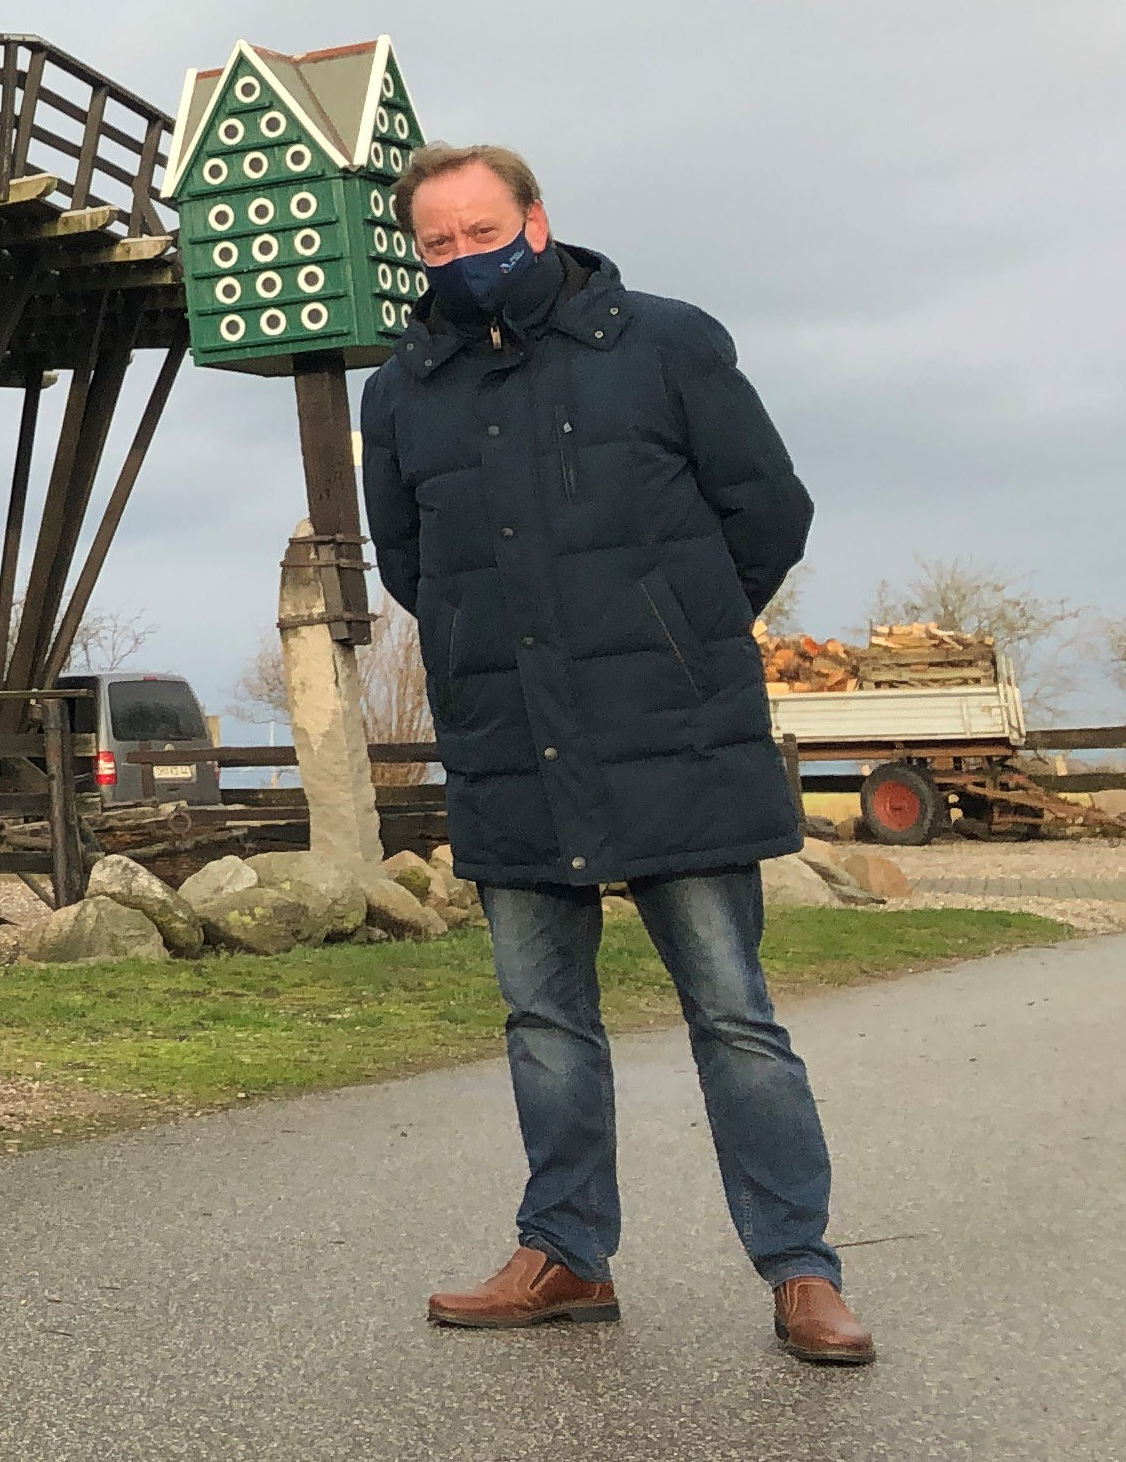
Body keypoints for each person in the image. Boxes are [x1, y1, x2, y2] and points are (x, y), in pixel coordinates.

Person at [359, 143, 869, 1367]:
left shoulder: (667, 342)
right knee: (543, 1020)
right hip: (509, 743)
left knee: (733, 1016)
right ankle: (566, 1253)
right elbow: (410, 567)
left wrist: (674, 632)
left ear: (537, 218)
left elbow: (768, 512)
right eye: (438, 243)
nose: (464, 258)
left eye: (484, 231)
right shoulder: (401, 391)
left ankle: (802, 1271)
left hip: (672, 731)